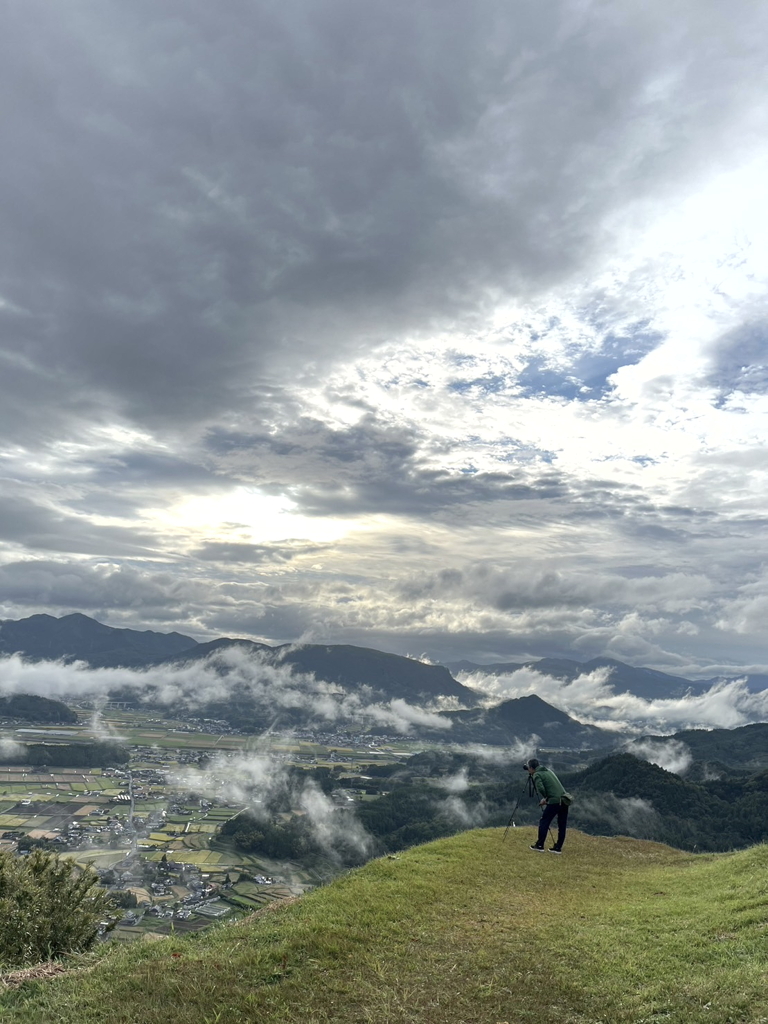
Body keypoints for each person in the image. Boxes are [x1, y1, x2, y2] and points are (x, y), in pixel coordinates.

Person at [525, 757, 571, 854]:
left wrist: (546, 798)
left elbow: (541, 788)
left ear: (531, 768)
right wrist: (547, 799)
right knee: (562, 825)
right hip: (564, 799)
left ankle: (540, 845)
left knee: (544, 821)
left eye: (528, 768)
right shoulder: (548, 771)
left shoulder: (537, 775)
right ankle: (558, 848)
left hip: (555, 801)